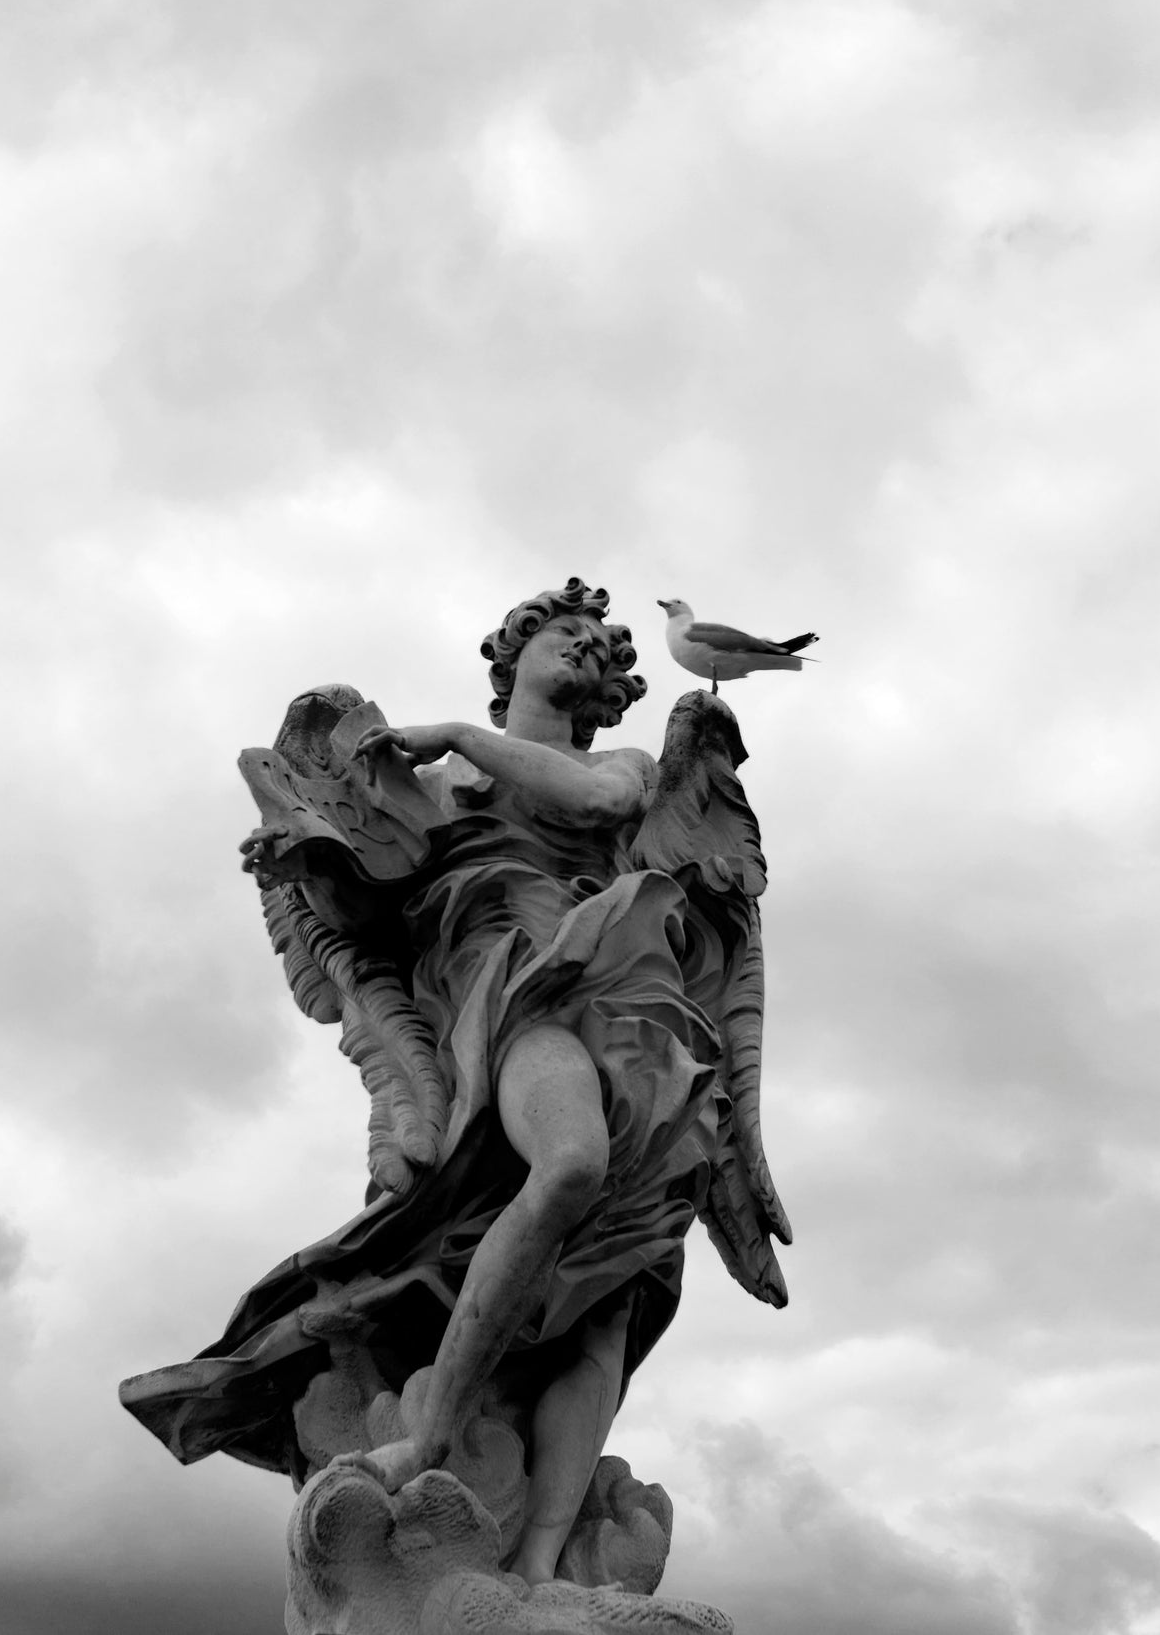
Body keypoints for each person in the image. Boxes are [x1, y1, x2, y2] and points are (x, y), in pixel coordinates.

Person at [121, 580, 781, 1590]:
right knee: (568, 1167)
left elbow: (603, 805)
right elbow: (369, 896)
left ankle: (545, 1560)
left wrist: (461, 738)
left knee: (614, 1295)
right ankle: (424, 1443)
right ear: (510, 654)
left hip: (634, 999)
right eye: (563, 635)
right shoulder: (428, 788)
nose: (583, 653)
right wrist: (300, 860)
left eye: (600, 651)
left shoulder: (618, 764)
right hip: (516, 981)